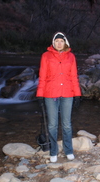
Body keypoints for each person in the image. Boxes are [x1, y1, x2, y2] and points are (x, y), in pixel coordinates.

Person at [36, 32, 81, 163]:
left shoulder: (71, 57)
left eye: (61, 41)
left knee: (66, 124)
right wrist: (40, 94)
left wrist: (77, 94)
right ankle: (53, 151)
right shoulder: (46, 56)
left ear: (65, 42)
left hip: (67, 93)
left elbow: (74, 76)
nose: (59, 43)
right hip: (50, 94)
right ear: (53, 43)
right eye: (57, 41)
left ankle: (68, 150)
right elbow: (42, 76)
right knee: (52, 125)